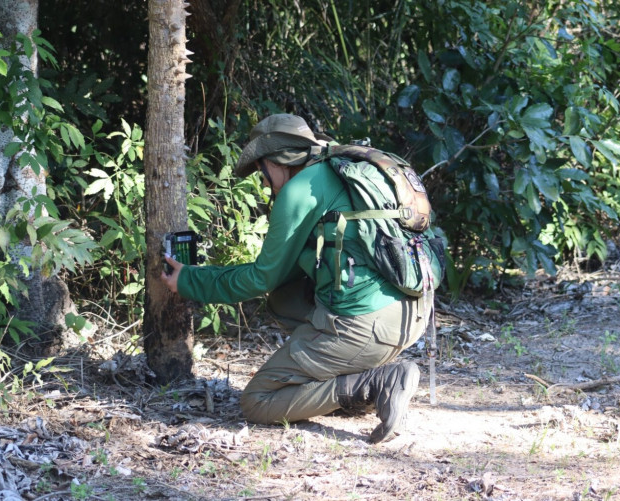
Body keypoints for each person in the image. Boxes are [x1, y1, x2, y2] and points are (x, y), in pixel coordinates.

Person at [160, 114, 431, 443]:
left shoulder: (300, 188)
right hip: (413, 315)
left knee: (257, 402)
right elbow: (282, 276)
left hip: (367, 325)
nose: (263, 183)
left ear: (276, 160)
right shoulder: (341, 169)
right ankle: (360, 375)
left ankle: (375, 383)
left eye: (261, 170)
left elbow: (260, 278)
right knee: (284, 298)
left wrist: (189, 281)